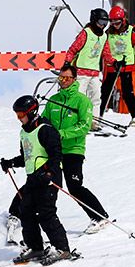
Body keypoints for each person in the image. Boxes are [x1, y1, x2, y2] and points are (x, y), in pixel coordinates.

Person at [0, 95, 72, 265]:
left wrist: (49, 174)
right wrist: (10, 163)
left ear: (31, 112)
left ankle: (62, 249)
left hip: (48, 179)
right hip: (33, 179)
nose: (19, 118)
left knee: (46, 213)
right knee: (26, 211)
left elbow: (56, 155)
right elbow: (27, 157)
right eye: (17, 115)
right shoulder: (24, 132)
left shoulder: (46, 129)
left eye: (21, 115)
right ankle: (36, 247)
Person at [42, 64, 109, 234]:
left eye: (66, 78)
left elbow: (84, 126)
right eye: (61, 77)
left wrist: (61, 133)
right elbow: (44, 122)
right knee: (45, 183)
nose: (63, 81)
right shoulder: (53, 100)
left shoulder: (82, 100)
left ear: (74, 79)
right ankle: (25, 214)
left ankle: (99, 216)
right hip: (54, 151)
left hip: (73, 150)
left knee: (75, 187)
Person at [62, 8, 114, 116]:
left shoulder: (104, 36)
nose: (103, 26)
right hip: (81, 72)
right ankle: (74, 118)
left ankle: (94, 120)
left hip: (95, 73)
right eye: (101, 22)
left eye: (106, 23)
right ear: (94, 20)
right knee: (79, 97)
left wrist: (114, 62)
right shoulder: (86, 33)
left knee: (96, 98)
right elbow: (73, 49)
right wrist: (67, 63)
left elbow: (106, 53)